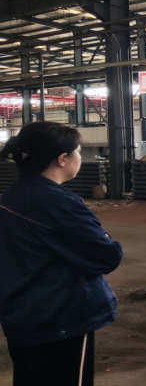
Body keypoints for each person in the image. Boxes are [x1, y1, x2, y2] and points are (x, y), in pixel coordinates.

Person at [0, 122, 123, 386]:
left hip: (22, 314)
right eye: (78, 152)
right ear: (63, 159)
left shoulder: (12, 197)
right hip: (59, 320)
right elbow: (105, 256)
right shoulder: (57, 204)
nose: (79, 157)